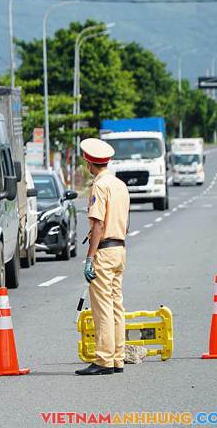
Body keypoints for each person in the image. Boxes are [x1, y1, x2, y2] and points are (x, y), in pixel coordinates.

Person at [76, 138, 130, 376]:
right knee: (117, 305)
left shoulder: (99, 186)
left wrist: (90, 257)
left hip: (104, 251)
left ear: (89, 162)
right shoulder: (120, 185)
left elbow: (98, 224)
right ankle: (118, 358)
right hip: (120, 249)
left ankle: (104, 360)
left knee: (103, 308)